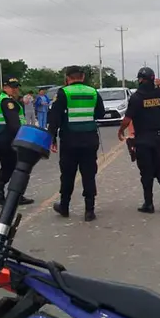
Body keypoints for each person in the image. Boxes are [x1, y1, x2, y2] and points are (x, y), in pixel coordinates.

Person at [48, 65, 106, 222]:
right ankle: (89, 210)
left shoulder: (63, 92)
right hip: (89, 139)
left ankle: (64, 207)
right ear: (83, 77)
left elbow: (54, 117)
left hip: (69, 141)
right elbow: (100, 113)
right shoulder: (93, 92)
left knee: (67, 174)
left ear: (67, 78)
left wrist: (52, 138)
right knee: (89, 174)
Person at [118, 67, 160, 213]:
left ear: (140, 80)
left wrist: (121, 130)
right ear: (153, 79)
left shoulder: (137, 97)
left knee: (146, 171)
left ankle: (149, 203)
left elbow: (127, 118)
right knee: (159, 167)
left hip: (144, 137)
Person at [0, 78, 34, 206]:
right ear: (5, 87)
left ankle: (2, 191)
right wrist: (24, 137)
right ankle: (15, 195)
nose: (15, 89)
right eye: (12, 87)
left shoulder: (0, 100)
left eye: (16, 87)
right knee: (18, 167)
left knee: (8, 166)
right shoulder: (7, 102)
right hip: (9, 139)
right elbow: (14, 124)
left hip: (1, 137)